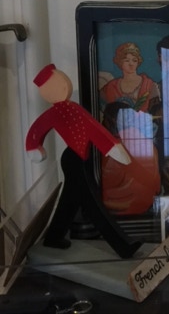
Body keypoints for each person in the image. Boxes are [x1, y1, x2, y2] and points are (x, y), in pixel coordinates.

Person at [25, 63, 141, 259]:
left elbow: (93, 130)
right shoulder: (64, 111)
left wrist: (113, 148)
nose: (63, 86)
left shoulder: (70, 109)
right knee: (93, 205)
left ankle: (53, 237)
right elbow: (38, 130)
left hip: (75, 158)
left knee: (69, 202)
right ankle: (123, 246)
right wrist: (112, 148)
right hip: (74, 160)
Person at [99, 42, 161, 215]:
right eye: (127, 60)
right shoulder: (109, 87)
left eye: (134, 60)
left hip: (143, 139)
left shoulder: (150, 85)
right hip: (117, 140)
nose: (131, 63)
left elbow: (157, 112)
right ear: (119, 62)